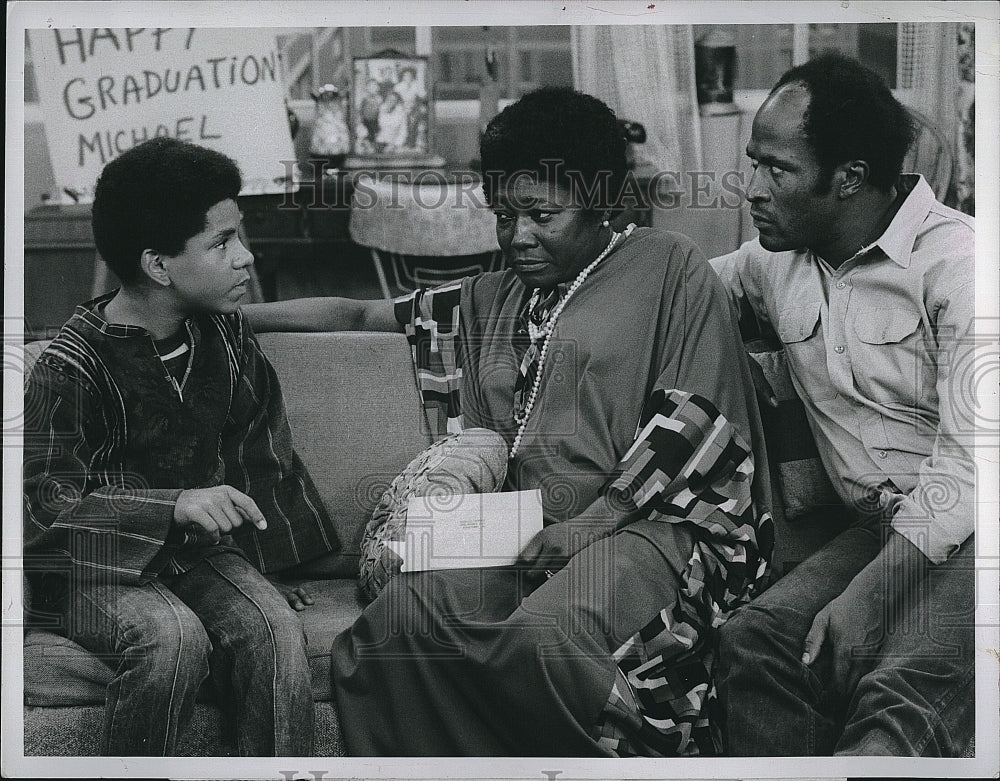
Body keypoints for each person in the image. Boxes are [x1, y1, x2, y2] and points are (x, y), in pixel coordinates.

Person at [244, 86, 772, 756]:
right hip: (528, 534)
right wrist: (215, 311)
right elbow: (356, 315)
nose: (517, 236)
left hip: (650, 528)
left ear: (603, 201)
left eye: (541, 214)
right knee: (395, 628)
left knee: (543, 638)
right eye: (503, 214)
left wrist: (586, 527)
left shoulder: (671, 269)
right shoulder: (492, 296)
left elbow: (692, 422)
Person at [23, 137, 341, 756]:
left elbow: (260, 451)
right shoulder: (71, 364)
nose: (246, 257)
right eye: (221, 243)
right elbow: (45, 505)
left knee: (272, 629)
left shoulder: (224, 337)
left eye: (239, 235)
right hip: (91, 566)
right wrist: (169, 505)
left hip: (194, 554)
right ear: (158, 265)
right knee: (172, 637)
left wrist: (271, 562)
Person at [710, 53, 975, 756]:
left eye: (777, 169)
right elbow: (677, 294)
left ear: (850, 178)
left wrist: (868, 596)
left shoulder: (963, 266)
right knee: (753, 644)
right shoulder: (775, 259)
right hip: (877, 526)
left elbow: (972, 473)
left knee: (898, 699)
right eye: (753, 163)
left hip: (976, 528)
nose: (753, 189)